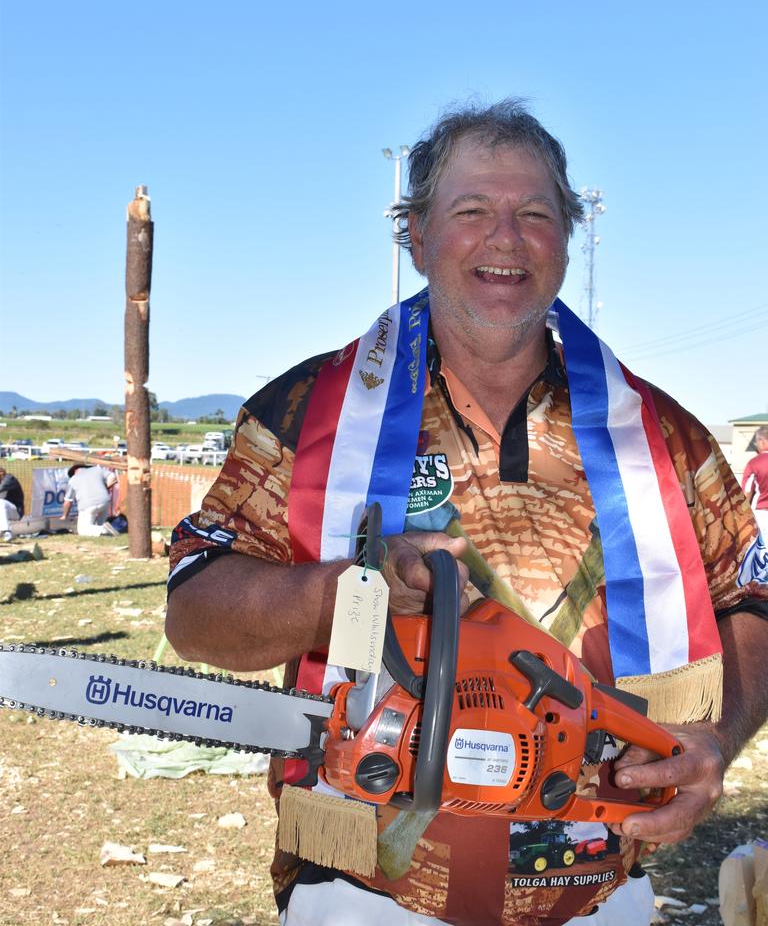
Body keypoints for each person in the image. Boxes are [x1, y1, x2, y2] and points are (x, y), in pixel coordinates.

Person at [164, 100, 768, 926]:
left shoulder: (663, 434)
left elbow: (751, 601)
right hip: (364, 894)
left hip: (600, 891)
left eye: (534, 214)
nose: (506, 239)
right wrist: (342, 591)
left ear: (569, 235)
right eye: (472, 211)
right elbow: (194, 615)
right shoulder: (307, 415)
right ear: (415, 235)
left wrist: (714, 740)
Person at [60, 463, 119, 536]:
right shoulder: (97, 470)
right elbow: (113, 477)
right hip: (105, 502)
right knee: (98, 525)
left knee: (83, 530)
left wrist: (64, 516)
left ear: (75, 471)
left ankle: (104, 529)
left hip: (87, 506)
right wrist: (106, 487)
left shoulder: (73, 479)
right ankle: (105, 529)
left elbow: (68, 502)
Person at [741, 426, 768, 537]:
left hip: (762, 514)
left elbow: (747, 492)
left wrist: (742, 515)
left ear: (762, 441)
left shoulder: (754, 463)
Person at [0, 466, 24, 542]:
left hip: (15, 511)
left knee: (0, 502)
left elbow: (1, 488)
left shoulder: (9, 478)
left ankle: (7, 532)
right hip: (5, 510)